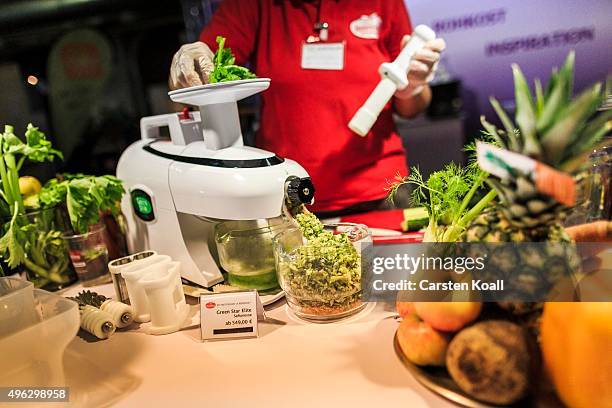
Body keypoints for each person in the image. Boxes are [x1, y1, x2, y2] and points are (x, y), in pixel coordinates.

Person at [169, 0, 445, 217]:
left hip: (382, 192)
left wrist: (413, 87)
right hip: (290, 194)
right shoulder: (256, 5)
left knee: (402, 286)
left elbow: (411, 108)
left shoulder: (383, 2)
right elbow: (191, 86)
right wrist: (188, 66)